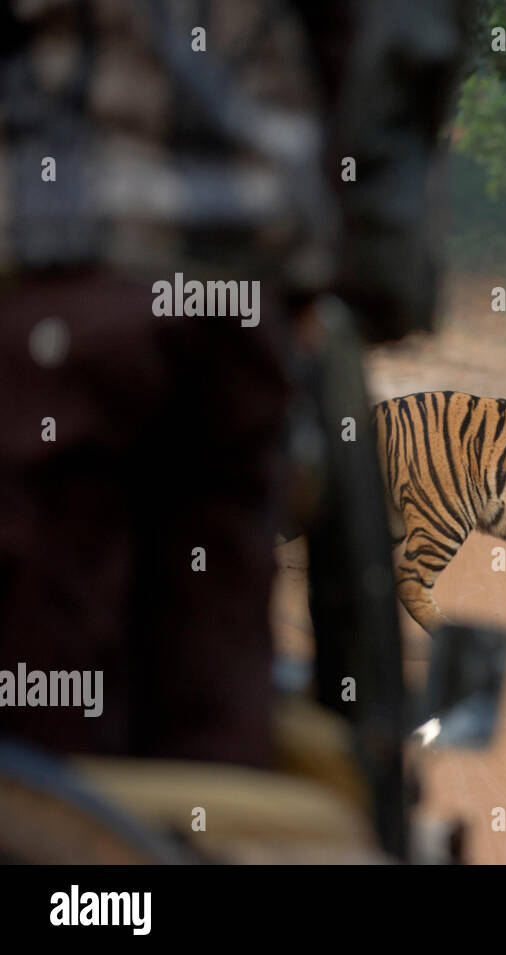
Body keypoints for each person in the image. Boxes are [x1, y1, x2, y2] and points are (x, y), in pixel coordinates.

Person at [0, 0, 468, 768]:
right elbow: (394, 39)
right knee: (209, 659)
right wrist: (363, 270)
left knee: (47, 696)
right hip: (235, 288)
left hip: (47, 289)